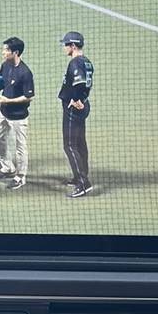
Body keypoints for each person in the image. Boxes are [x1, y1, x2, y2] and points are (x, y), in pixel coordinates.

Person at [0, 37, 35, 190]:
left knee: (20, 147)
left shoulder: (25, 72)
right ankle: (7, 167)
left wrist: (9, 100)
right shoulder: (5, 64)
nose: (3, 52)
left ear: (16, 52)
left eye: (6, 50)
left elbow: (29, 96)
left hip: (19, 117)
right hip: (3, 112)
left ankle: (20, 176)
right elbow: (0, 82)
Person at [58, 32, 94, 198]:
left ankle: (83, 183)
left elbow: (80, 84)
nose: (64, 47)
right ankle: (81, 174)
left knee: (70, 145)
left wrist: (76, 99)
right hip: (82, 106)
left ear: (73, 46)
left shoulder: (75, 63)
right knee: (80, 143)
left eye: (66, 44)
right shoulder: (86, 61)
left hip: (73, 108)